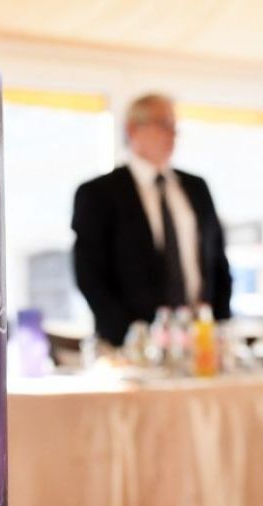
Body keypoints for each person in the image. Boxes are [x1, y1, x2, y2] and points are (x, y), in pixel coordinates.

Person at [72, 93, 232, 346]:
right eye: (164, 124)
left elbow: (218, 263)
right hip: (132, 345)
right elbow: (89, 274)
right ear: (133, 129)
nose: (173, 134)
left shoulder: (197, 188)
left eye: (175, 126)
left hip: (200, 341)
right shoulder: (99, 193)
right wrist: (129, 336)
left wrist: (218, 325)